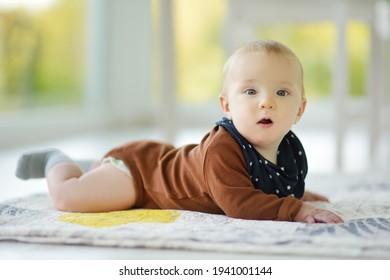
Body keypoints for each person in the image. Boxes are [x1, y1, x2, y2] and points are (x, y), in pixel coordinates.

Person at [16, 40, 343, 224]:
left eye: (282, 93)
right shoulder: (222, 147)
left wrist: (293, 195)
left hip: (160, 159)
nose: (266, 103)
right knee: (70, 198)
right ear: (226, 106)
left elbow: (266, 185)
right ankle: (56, 161)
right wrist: (294, 208)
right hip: (140, 176)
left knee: (101, 180)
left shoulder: (289, 150)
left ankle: (96, 166)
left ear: (300, 109)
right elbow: (240, 203)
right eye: (251, 92)